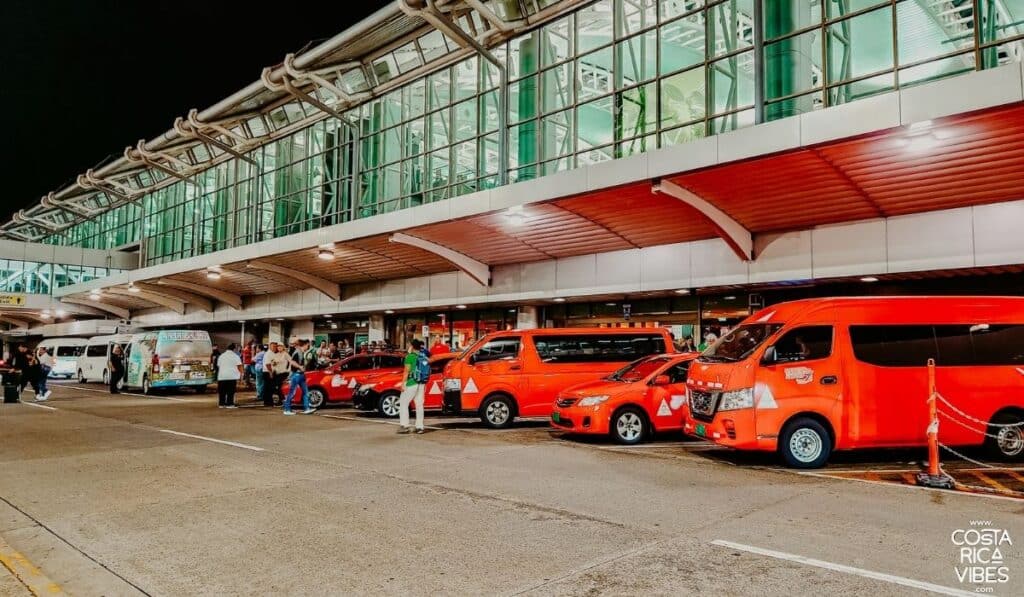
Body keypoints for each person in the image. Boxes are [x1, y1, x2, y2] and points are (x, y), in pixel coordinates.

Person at [397, 338, 429, 435]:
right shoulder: (424, 356)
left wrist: (403, 384)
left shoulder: (409, 357)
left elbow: (406, 371)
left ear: (412, 347)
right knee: (419, 405)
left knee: (403, 403)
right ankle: (420, 427)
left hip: (412, 382)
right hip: (421, 383)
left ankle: (404, 425)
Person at [283, 340, 314, 415]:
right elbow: (292, 362)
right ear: (305, 344)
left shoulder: (301, 352)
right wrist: (300, 367)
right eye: (308, 345)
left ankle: (307, 408)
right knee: (292, 392)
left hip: (300, 374)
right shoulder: (297, 352)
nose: (308, 347)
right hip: (296, 375)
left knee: (305, 392)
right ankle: (287, 410)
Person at [216, 343, 243, 409]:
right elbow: (239, 366)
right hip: (232, 376)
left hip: (222, 376)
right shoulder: (235, 356)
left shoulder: (222, 356)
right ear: (234, 349)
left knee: (222, 391)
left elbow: (218, 365)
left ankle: (221, 404)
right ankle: (230, 404)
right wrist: (241, 375)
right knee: (230, 391)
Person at [264, 342, 289, 407]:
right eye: (274, 346)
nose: (275, 348)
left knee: (272, 388)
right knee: (269, 388)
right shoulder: (269, 354)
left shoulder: (278, 354)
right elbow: (268, 364)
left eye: (276, 346)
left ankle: (270, 402)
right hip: (268, 372)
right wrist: (270, 372)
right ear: (270, 346)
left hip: (280, 372)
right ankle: (268, 402)